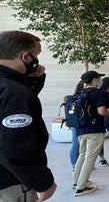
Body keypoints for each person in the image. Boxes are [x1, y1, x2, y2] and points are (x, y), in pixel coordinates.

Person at [0, 31, 57, 202]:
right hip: (10, 183)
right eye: (36, 55)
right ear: (25, 57)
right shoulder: (14, 93)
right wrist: (43, 182)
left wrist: (33, 80)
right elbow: (15, 148)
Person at [73, 70, 109, 196]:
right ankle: (81, 187)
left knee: (82, 155)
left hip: (81, 130)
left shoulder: (80, 93)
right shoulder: (98, 93)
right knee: (90, 158)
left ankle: (76, 181)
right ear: (95, 80)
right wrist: (108, 111)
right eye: (99, 78)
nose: (100, 81)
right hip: (95, 130)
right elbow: (102, 112)